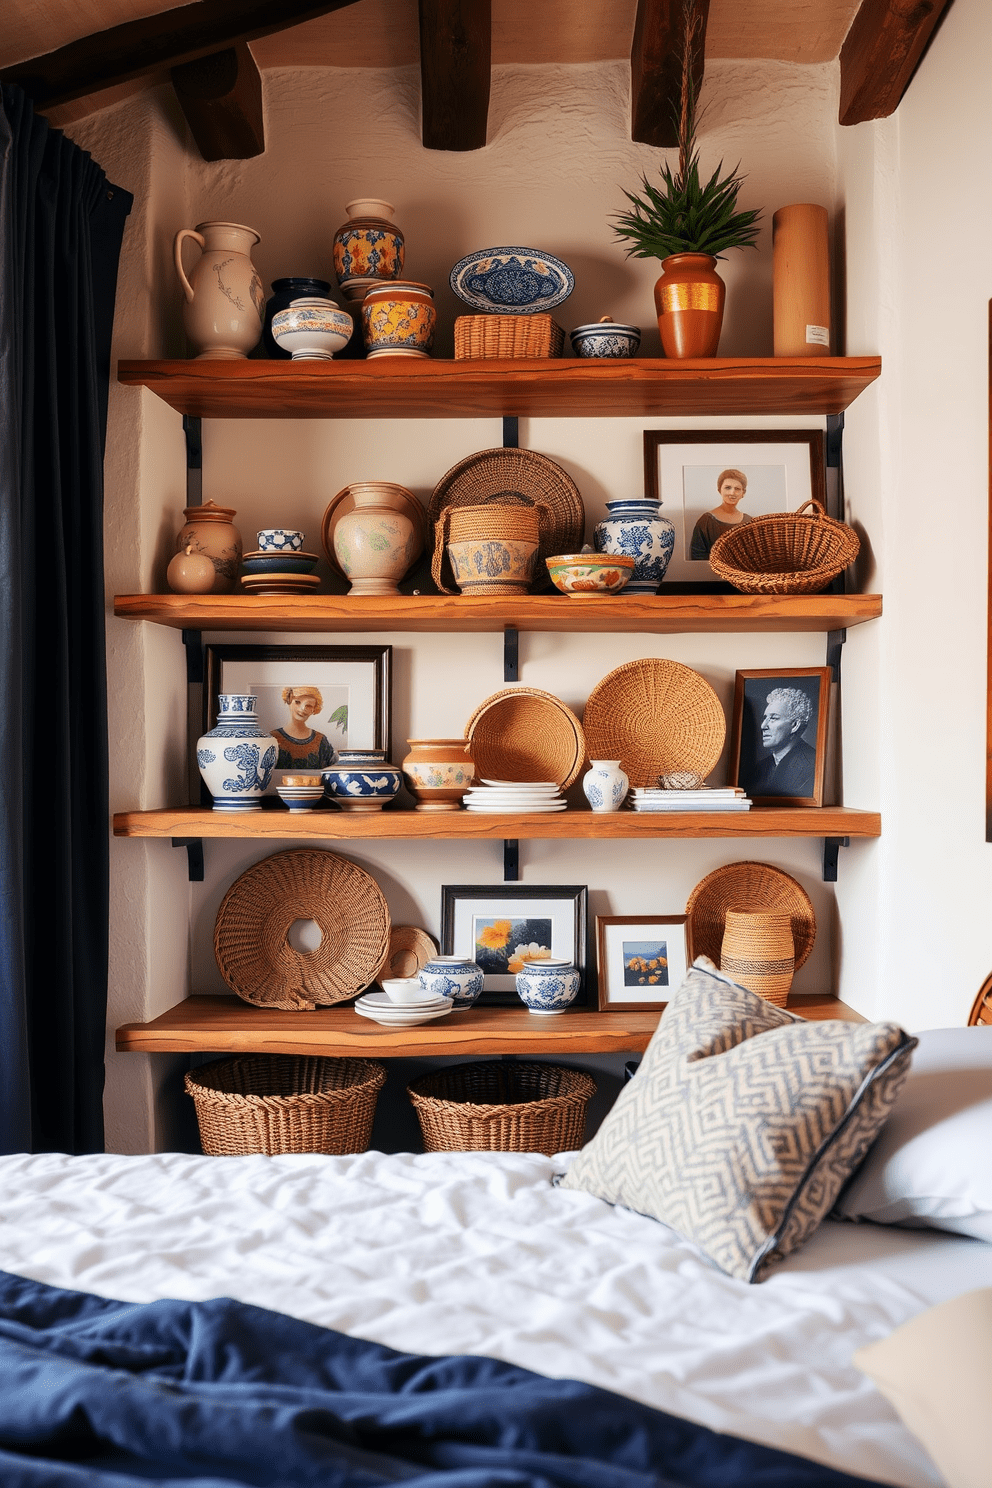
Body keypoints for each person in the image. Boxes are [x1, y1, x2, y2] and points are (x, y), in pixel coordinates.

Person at [749, 687, 816, 797]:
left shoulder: (813, 764)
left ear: (794, 725)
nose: (763, 726)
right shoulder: (760, 768)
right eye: (765, 718)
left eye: (774, 718)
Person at [689, 467, 752, 561]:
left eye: (737, 489)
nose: (732, 493)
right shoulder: (706, 521)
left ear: (743, 493)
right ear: (719, 490)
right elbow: (697, 555)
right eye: (727, 488)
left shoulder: (749, 521)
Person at [272, 686, 335, 769]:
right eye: (297, 702)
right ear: (289, 701)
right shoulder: (273, 737)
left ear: (314, 709)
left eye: (308, 706)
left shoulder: (321, 740)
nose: (302, 709)